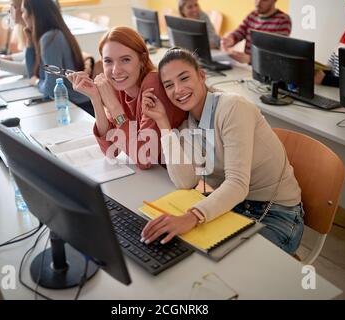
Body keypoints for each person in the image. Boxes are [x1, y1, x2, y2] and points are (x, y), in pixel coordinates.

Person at [141, 48, 304, 255]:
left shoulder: (233, 107)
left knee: (228, 268)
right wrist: (163, 123)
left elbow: (237, 184)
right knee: (184, 255)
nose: (178, 89)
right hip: (232, 206)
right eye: (169, 85)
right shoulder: (188, 124)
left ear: (201, 76)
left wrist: (191, 217)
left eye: (184, 78)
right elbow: (186, 181)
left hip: (275, 213)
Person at [67, 27, 186, 170]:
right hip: (155, 176)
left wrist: (114, 106)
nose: (116, 70)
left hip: (174, 175)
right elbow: (110, 149)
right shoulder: (117, 87)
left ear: (142, 60)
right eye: (108, 61)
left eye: (125, 60)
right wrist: (96, 99)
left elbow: (145, 158)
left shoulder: (153, 85)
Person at [21, 0, 92, 114]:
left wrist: (36, 82)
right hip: (70, 104)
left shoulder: (50, 38)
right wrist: (29, 42)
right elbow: (32, 75)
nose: (22, 16)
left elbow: (51, 88)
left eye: (23, 11)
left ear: (33, 14)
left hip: (78, 107)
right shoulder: (51, 34)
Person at [221, 0, 291, 64]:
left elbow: (277, 54)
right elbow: (239, 32)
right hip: (247, 68)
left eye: (264, 0)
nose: (258, 3)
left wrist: (250, 59)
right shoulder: (252, 15)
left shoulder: (283, 20)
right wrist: (231, 39)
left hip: (266, 69)